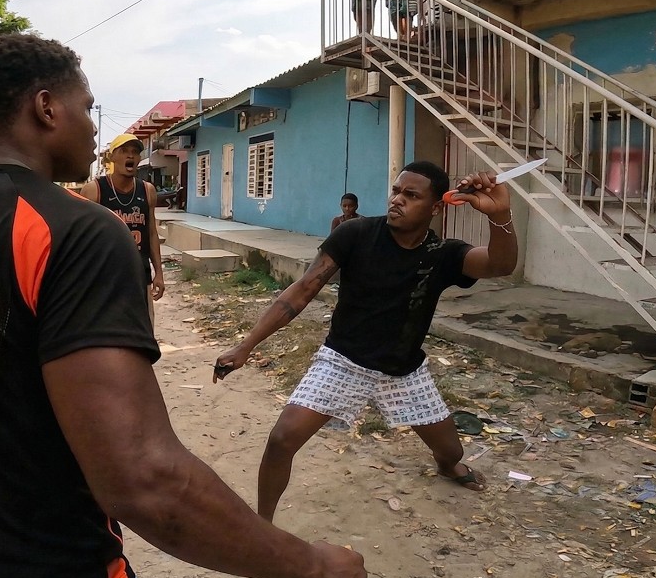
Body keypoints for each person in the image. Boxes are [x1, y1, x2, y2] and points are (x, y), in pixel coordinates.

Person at [0, 33, 366, 578]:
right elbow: (144, 479)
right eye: (87, 107)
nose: (97, 130)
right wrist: (310, 566)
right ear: (46, 109)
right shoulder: (72, 229)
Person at [213, 160, 518, 523]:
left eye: (411, 195)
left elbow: (500, 265)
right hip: (343, 362)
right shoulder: (355, 234)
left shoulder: (444, 255)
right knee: (282, 440)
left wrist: (500, 214)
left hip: (405, 372)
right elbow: (303, 290)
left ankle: (446, 467)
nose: (397, 200)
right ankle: (262, 527)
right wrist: (245, 346)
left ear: (436, 207)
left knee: (452, 451)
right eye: (396, 191)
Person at [80, 133, 165, 325]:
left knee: (143, 330)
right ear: (112, 157)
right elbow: (83, 238)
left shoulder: (147, 190)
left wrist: (158, 273)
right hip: (104, 276)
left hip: (139, 274)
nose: (130, 156)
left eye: (135, 152)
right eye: (124, 151)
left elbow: (151, 233)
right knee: (105, 330)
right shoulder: (94, 190)